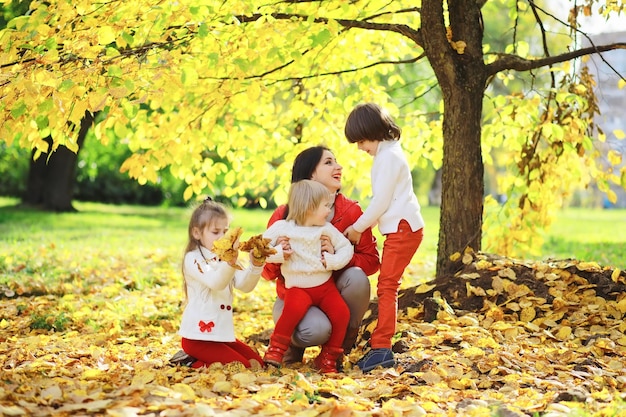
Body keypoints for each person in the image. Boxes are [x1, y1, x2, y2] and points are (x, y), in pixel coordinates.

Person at [262, 146, 380, 369]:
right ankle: (288, 348)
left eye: (336, 161)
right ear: (311, 174)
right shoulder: (284, 217)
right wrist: (280, 253)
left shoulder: (351, 212)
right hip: (294, 293)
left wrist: (337, 258)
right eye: (328, 162)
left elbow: (372, 262)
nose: (338, 167)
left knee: (356, 279)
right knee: (314, 329)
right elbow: (264, 268)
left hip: (330, 290)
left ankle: (335, 354)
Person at [343, 103, 425, 372]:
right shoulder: (388, 154)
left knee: (387, 286)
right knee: (387, 285)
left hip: (403, 228)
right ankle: (381, 346)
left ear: (374, 131)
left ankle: (382, 348)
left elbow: (380, 202)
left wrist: (357, 228)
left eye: (362, 140)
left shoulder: (388, 157)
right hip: (401, 227)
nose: (360, 148)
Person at [263, 180, 354, 373]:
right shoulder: (282, 228)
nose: (329, 211)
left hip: (324, 287)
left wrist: (331, 260)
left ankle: (329, 357)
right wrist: (279, 252)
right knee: (291, 312)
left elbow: (346, 248)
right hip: (297, 288)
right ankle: (276, 350)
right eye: (325, 206)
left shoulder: (325, 229)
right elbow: (259, 249)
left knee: (342, 314)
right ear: (309, 207)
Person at [175, 197, 265, 369]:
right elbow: (216, 282)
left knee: (257, 364)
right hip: (198, 337)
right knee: (242, 366)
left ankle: (202, 361)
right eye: (216, 232)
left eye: (226, 231)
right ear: (197, 233)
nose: (223, 237)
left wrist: (255, 266)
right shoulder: (193, 258)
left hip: (219, 334)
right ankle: (190, 362)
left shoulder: (224, 259)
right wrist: (230, 263)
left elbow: (245, 286)